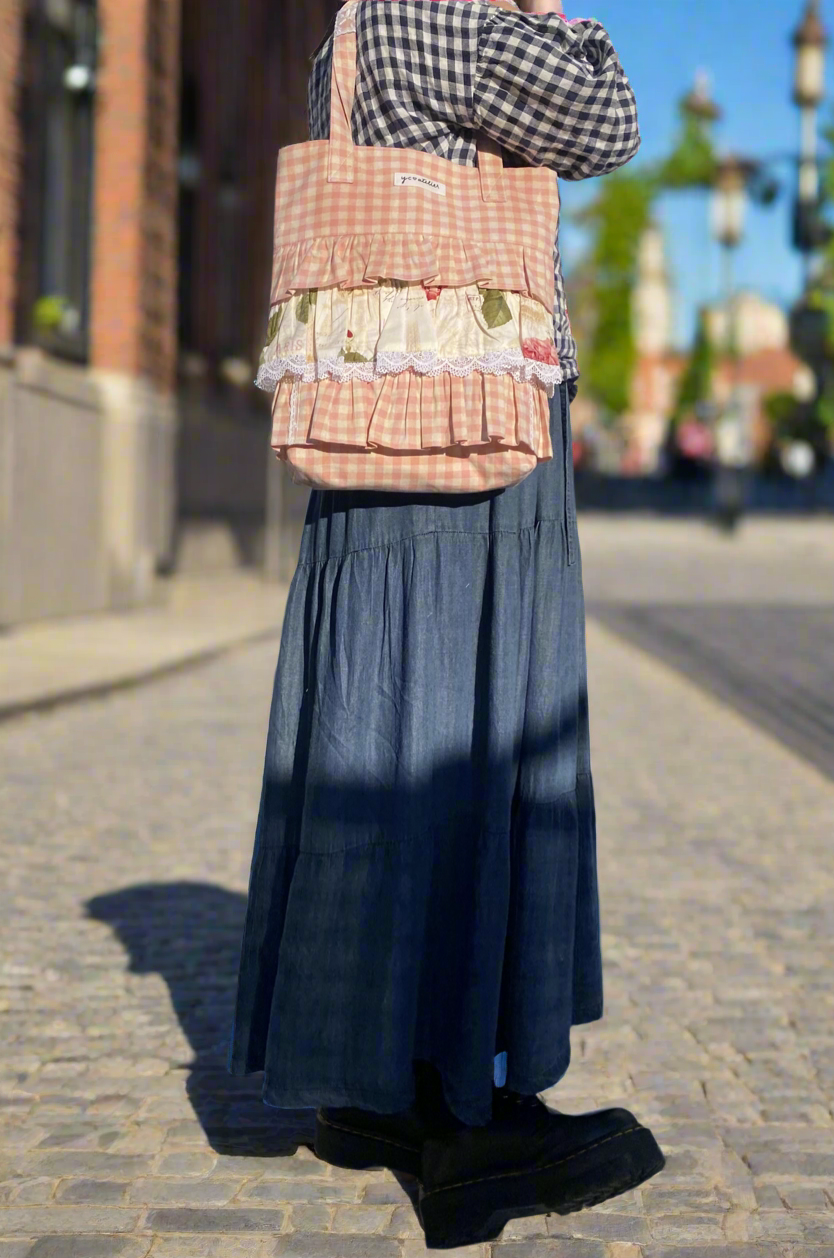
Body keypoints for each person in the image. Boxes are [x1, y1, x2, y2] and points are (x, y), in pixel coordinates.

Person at [228, 0, 665, 1245]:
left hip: (372, 442)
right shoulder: (462, 21)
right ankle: (473, 1111)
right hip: (476, 441)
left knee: (377, 725)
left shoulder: (354, 30)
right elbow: (610, 119)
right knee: (470, 732)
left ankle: (384, 1068)